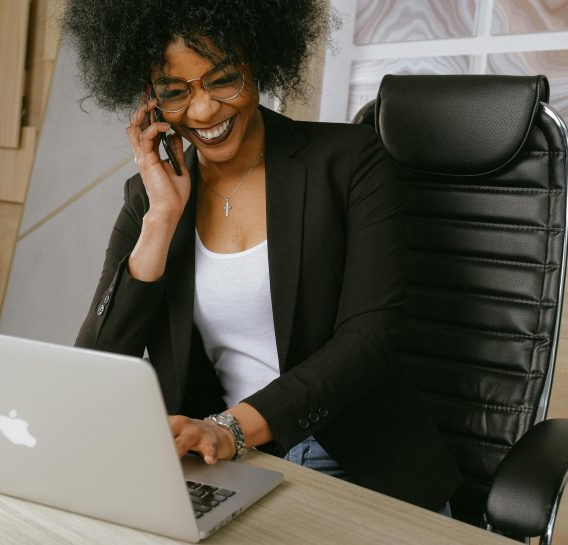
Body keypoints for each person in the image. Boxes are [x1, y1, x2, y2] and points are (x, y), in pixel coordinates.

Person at [65, 1, 462, 513]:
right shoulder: (150, 196)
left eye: (223, 80)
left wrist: (231, 428)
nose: (204, 111)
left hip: (357, 460)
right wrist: (161, 218)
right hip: (223, 468)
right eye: (175, 91)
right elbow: (98, 361)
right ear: (150, 98)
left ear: (258, 63)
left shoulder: (349, 162)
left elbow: (371, 337)